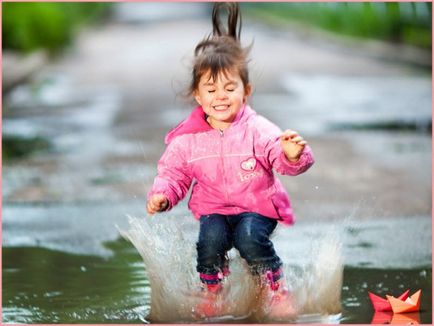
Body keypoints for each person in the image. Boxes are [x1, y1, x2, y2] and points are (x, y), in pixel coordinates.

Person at [146, 2, 314, 319]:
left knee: (249, 238)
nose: (220, 96)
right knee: (210, 242)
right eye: (211, 88)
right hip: (215, 210)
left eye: (229, 87)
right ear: (198, 95)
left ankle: (276, 291)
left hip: (257, 207)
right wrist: (164, 195)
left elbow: (278, 155)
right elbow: (174, 173)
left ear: (245, 91)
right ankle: (214, 292)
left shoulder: (257, 128)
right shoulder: (188, 138)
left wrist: (293, 155)